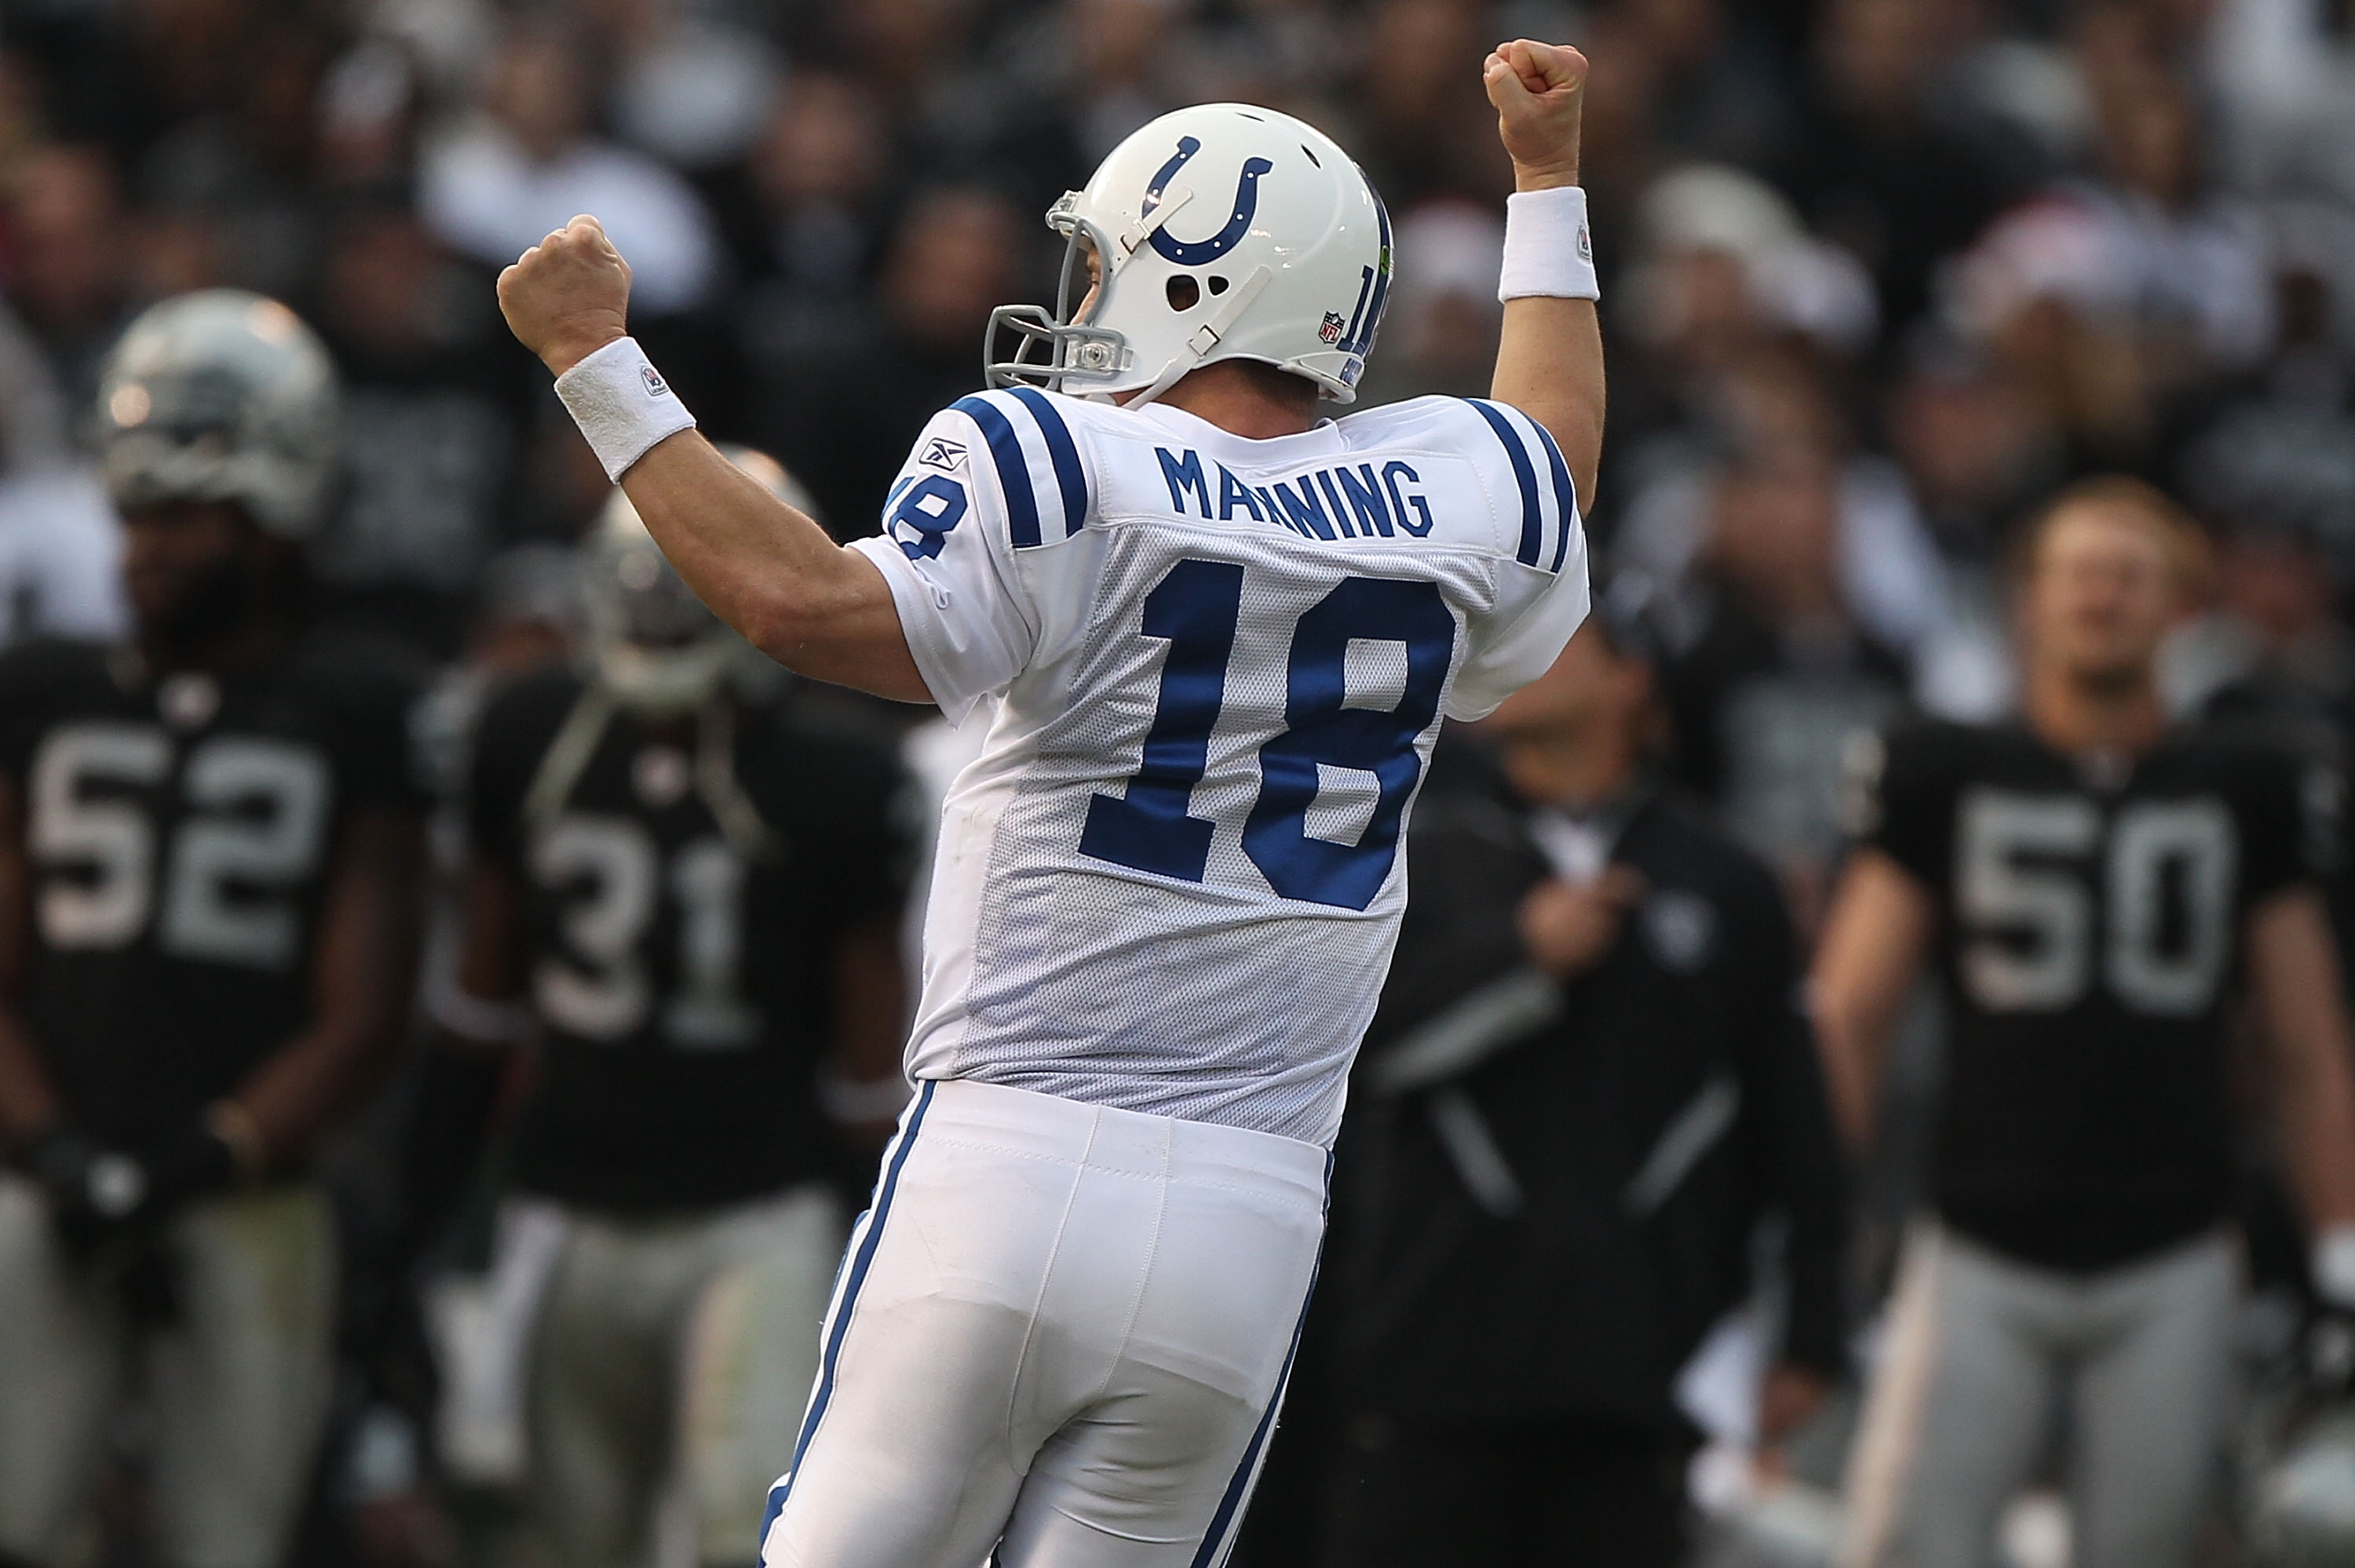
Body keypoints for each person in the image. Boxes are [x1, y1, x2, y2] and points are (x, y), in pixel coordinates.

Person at [495, 36, 1605, 1568]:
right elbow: (1554, 448)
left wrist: (596, 369)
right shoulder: (1450, 492)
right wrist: (1546, 186)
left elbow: (805, 607)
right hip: (1252, 1211)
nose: (1084, 306)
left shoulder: (1067, 461)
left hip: (1003, 1169)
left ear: (1204, 280)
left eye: (1108, 269)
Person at [1812, 476, 2355, 1568]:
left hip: (2177, 1249)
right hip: (1978, 1241)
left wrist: (2344, 1248)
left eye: (2131, 574)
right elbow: (1849, 1012)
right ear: (2031, 599)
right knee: (1909, 1543)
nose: (2102, 596)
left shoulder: (2249, 779)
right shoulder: (1945, 769)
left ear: (2183, 607)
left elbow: (2303, 1043)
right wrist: (1818, 1224)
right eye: (2079, 572)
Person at [412, 450, 918, 1568]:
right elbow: (483, 996)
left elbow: (863, 1064)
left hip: (755, 1210)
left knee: (748, 1530)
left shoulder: (835, 781)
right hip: (568, 1203)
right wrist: (428, 1204)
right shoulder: (529, 731)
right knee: (556, 1531)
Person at [0, 290, 428, 1568]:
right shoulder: (43, 692)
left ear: (275, 517)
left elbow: (369, 1004)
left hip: (250, 1186)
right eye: (139, 514)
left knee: (230, 1537)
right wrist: (63, 1151)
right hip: (40, 1172)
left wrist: (205, 1155)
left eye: (188, 514)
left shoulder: (355, 701)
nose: (150, 549)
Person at [1314, 600, 1849, 1568]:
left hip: (1637, 1363)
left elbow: (1790, 1109)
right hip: (1430, 1352)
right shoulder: (1412, 854)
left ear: (1627, 680)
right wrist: (1520, 959)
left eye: (1555, 636)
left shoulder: (1723, 878)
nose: (1515, 654)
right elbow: (1343, 1052)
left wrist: (1814, 1328)